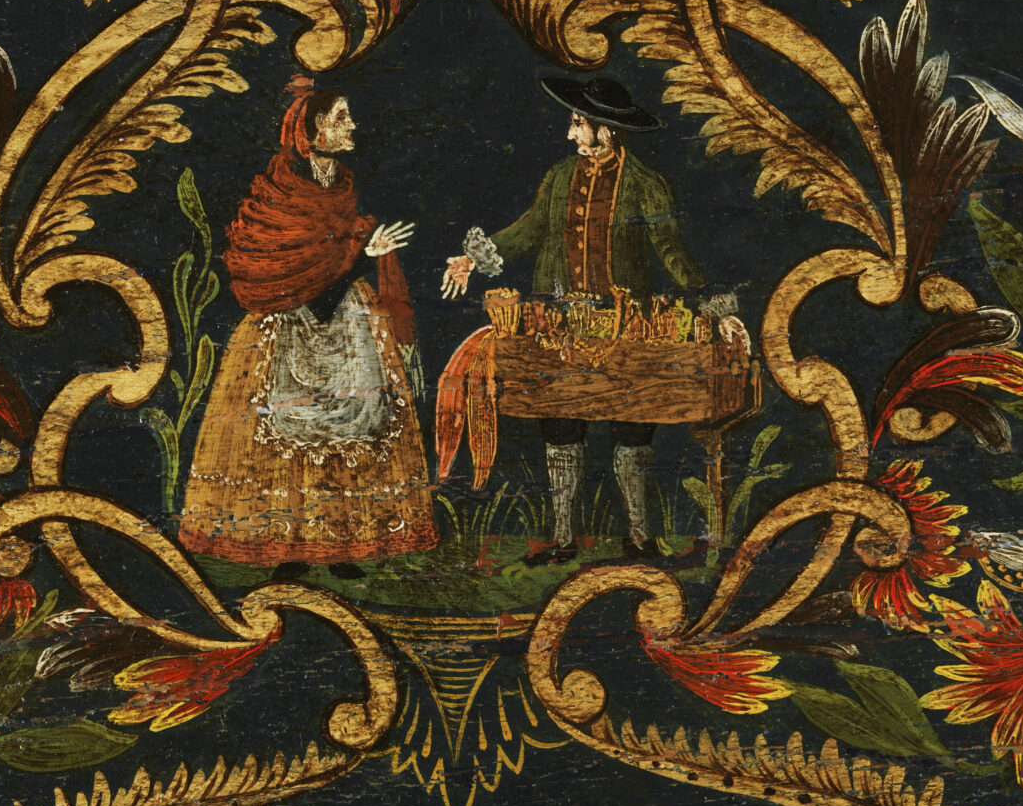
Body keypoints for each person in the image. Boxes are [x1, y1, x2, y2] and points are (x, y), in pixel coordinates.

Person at [441, 76, 747, 565]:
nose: (570, 133)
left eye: (577, 123)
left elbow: (672, 252)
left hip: (627, 327)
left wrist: (718, 309)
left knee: (633, 426)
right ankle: (563, 539)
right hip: (560, 327)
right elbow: (529, 230)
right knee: (560, 423)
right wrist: (472, 260)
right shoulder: (560, 176)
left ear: (606, 130)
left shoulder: (645, 183)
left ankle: (638, 538)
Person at [179, 78, 439, 577]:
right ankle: (290, 547)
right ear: (314, 128)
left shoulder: (342, 183)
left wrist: (366, 251)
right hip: (286, 321)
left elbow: (337, 250)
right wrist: (359, 251)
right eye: (341, 117)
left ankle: (340, 546)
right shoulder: (281, 188)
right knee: (283, 431)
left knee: (355, 423)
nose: (352, 125)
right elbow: (281, 259)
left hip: (346, 318)